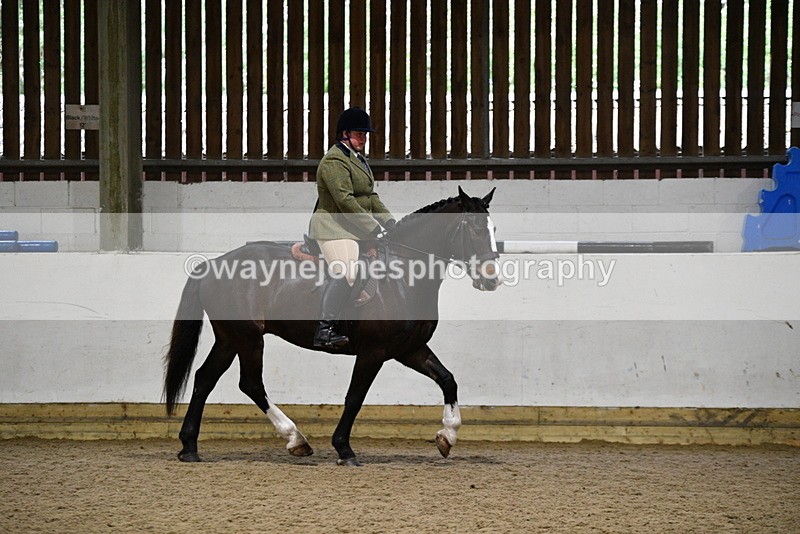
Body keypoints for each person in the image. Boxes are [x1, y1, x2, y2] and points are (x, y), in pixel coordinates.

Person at [309, 107, 396, 349]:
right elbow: (345, 200)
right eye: (359, 134)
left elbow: (370, 196)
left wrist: (389, 221)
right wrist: (372, 228)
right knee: (347, 271)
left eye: (365, 135)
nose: (363, 139)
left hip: (353, 226)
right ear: (344, 134)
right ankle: (324, 329)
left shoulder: (358, 160)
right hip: (333, 226)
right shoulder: (334, 161)